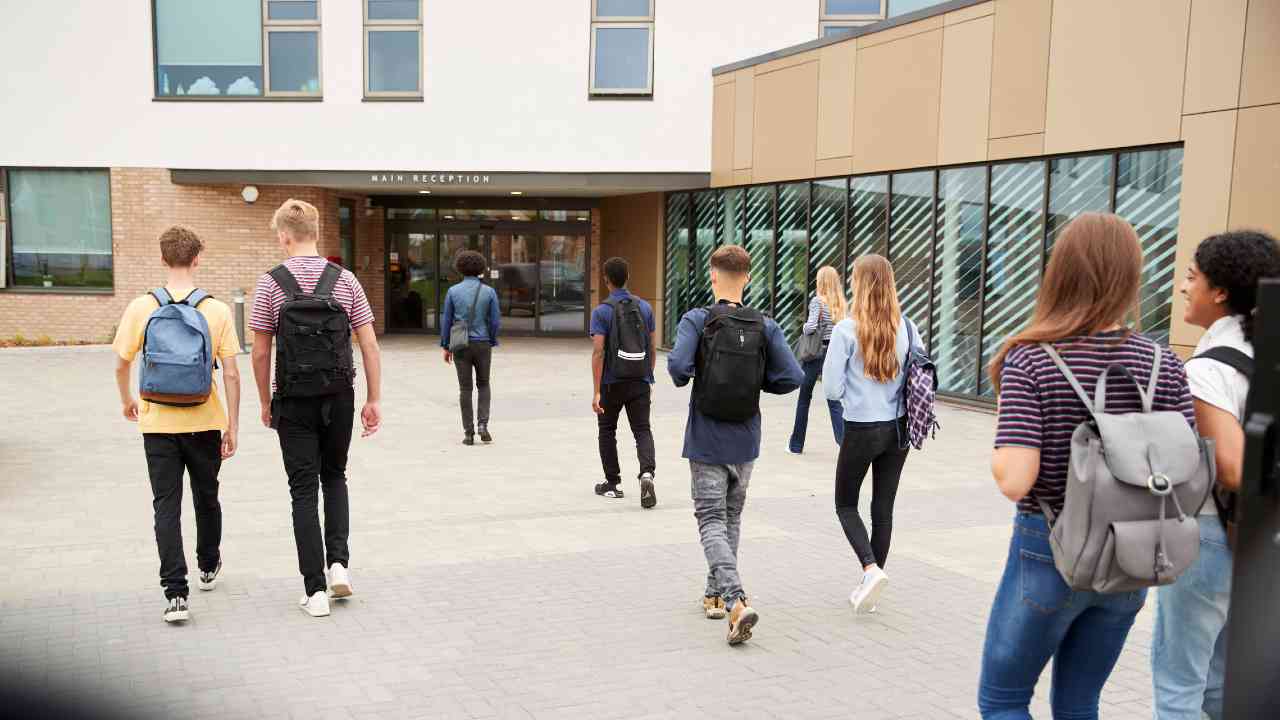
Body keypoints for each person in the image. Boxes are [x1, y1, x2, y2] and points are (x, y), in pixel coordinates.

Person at [978, 213, 1195, 718]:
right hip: (1134, 555)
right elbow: (1186, 473)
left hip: (1049, 549)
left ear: (1061, 271)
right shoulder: (1163, 364)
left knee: (1003, 702)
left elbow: (1015, 479)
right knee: (1080, 702)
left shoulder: (1032, 358)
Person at [1152, 230, 1280, 720]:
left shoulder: (1208, 369)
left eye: (1191, 276)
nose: (1184, 288)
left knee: (1179, 685)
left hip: (1209, 534)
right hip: (1256, 541)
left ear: (1220, 291)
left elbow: (1229, 465)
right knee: (1222, 687)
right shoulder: (1264, 356)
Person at [250, 199, 382, 619]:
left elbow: (259, 351)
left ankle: (314, 591)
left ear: (284, 236)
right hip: (339, 395)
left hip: (293, 398)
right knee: (335, 476)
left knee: (303, 490)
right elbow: (369, 343)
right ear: (318, 234)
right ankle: (338, 564)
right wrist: (373, 399)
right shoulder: (345, 281)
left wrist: (264, 400)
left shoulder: (270, 284)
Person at [668, 244, 804, 644]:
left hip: (707, 438)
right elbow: (792, 376)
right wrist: (756, 381)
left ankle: (736, 601)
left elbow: (677, 367)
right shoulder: (766, 325)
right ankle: (713, 596)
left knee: (710, 520)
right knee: (730, 519)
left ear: (713, 275)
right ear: (747, 277)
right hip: (746, 439)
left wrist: (695, 375)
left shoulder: (698, 319)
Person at [112, 226, 241, 623]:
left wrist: (128, 401)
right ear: (197, 258)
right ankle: (208, 563)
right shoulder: (216, 310)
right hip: (204, 421)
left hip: (157, 424)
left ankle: (176, 594)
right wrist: (232, 426)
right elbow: (232, 374)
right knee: (207, 497)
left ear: (163, 259)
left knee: (166, 506)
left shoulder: (141, 307)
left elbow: (121, 363)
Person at [822, 255, 921, 614]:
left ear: (859, 285)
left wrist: (855, 389)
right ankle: (873, 583)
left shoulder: (847, 330)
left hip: (862, 427)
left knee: (845, 504)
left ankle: (869, 569)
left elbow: (831, 389)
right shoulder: (908, 327)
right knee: (883, 508)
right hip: (899, 428)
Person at [590, 256, 658, 506]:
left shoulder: (602, 312)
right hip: (639, 380)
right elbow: (651, 347)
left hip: (611, 382)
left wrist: (596, 391)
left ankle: (613, 483)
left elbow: (598, 352)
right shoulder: (646, 308)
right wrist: (647, 376)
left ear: (606, 279)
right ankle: (647, 473)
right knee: (642, 429)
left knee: (607, 430)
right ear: (628, 277)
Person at [441, 250, 501, 446]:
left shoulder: (453, 291)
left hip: (460, 344)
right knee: (484, 384)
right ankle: (483, 424)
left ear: (460, 268)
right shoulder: (489, 292)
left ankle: (468, 433)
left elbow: (447, 320)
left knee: (464, 388)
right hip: (483, 342)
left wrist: (446, 345)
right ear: (480, 268)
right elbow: (494, 321)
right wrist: (491, 339)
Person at [788, 265, 847, 454]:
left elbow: (811, 327)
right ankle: (844, 444)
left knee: (804, 398)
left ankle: (796, 445)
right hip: (833, 353)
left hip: (815, 354)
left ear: (820, 281)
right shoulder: (840, 303)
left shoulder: (817, 301)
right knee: (834, 399)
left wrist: (804, 326)